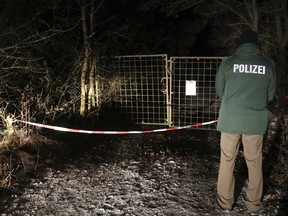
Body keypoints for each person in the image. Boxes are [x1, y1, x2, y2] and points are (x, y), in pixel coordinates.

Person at [215, 30, 277, 214]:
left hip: (231, 119)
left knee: (227, 160)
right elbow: (271, 95)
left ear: (239, 45)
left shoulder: (228, 63)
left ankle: (225, 202)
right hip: (255, 122)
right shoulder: (268, 65)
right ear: (256, 45)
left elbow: (220, 90)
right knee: (255, 161)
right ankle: (253, 204)